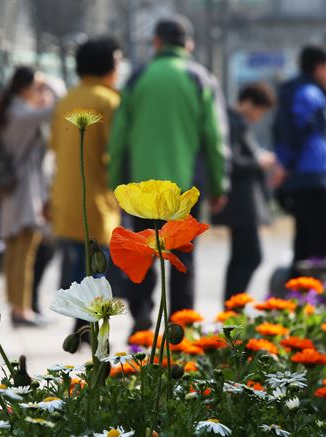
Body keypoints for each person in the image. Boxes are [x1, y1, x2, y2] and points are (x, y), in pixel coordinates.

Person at [108, 16, 229, 332]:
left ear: (156, 43)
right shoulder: (200, 78)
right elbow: (215, 139)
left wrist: (114, 185)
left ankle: (142, 321)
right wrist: (219, 186)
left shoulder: (138, 78)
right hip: (183, 190)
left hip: (142, 192)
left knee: (142, 254)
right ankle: (180, 327)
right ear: (187, 44)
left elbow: (118, 138)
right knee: (183, 259)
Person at [50, 36, 123, 336]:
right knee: (97, 267)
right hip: (96, 198)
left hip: (66, 196)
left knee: (76, 263)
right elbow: (117, 151)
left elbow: (54, 144)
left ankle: (80, 324)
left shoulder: (66, 99)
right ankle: (90, 328)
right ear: (108, 65)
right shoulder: (109, 101)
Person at [272, 44, 326, 275]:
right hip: (312, 175)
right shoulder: (308, 93)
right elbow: (298, 132)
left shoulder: (305, 91)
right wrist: (287, 165)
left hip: (305, 175)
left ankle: (301, 296)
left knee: (305, 239)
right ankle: (319, 294)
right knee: (325, 242)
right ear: (319, 67)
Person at [0, 66, 55, 327]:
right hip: (24, 190)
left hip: (16, 189)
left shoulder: (13, 110)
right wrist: (52, 83)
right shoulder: (20, 113)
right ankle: (22, 311)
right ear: (24, 87)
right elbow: (59, 109)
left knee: (16, 250)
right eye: (37, 86)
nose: (41, 91)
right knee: (25, 250)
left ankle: (17, 307)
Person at [213, 82, 277, 303]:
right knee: (251, 255)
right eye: (260, 111)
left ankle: (232, 305)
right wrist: (258, 163)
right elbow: (231, 162)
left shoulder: (235, 121)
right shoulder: (232, 123)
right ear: (249, 103)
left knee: (241, 255)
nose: (259, 117)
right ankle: (233, 304)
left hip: (240, 202)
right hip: (239, 202)